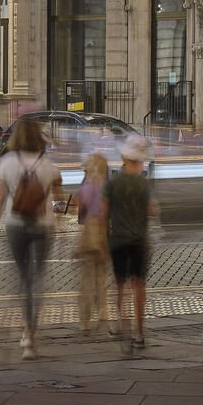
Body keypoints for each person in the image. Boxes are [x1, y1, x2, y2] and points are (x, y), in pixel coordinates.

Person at [0, 114, 62, 359]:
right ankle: (30, 335)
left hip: (16, 224)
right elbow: (60, 199)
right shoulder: (49, 165)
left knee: (23, 277)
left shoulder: (7, 162)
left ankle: (22, 327)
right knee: (37, 279)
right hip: (43, 225)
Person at [104, 136, 156, 354]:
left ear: (124, 158)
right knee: (139, 286)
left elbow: (103, 213)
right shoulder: (143, 183)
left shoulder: (113, 182)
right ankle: (139, 332)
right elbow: (152, 211)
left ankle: (123, 330)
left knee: (120, 286)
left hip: (118, 240)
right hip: (139, 240)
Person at [75, 151, 110, 336]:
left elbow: (80, 212)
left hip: (88, 233)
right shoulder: (106, 187)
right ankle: (103, 311)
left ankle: (84, 320)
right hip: (102, 232)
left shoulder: (85, 187)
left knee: (86, 279)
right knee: (101, 278)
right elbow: (105, 213)